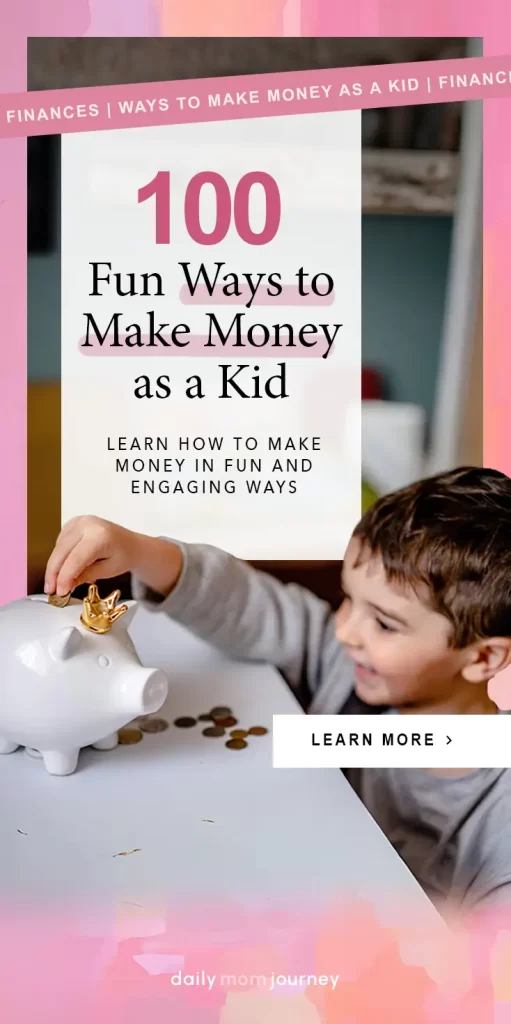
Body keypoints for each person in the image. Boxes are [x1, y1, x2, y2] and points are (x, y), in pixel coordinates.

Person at [44, 466, 511, 912]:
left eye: (385, 624)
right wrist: (139, 550)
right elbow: (248, 603)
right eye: (348, 599)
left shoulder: (498, 810)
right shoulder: (346, 665)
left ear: (483, 659)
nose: (345, 630)